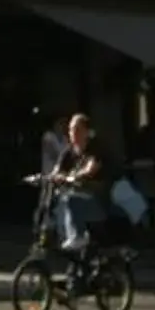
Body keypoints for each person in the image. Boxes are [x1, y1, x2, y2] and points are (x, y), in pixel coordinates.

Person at [44, 112, 108, 262]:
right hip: (78, 201)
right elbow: (56, 171)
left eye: (77, 129)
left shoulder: (95, 148)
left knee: (69, 200)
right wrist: (50, 177)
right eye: (71, 130)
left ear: (86, 131)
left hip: (97, 202)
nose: (72, 133)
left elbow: (91, 170)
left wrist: (72, 177)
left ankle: (77, 237)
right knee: (56, 202)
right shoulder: (68, 152)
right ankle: (67, 240)